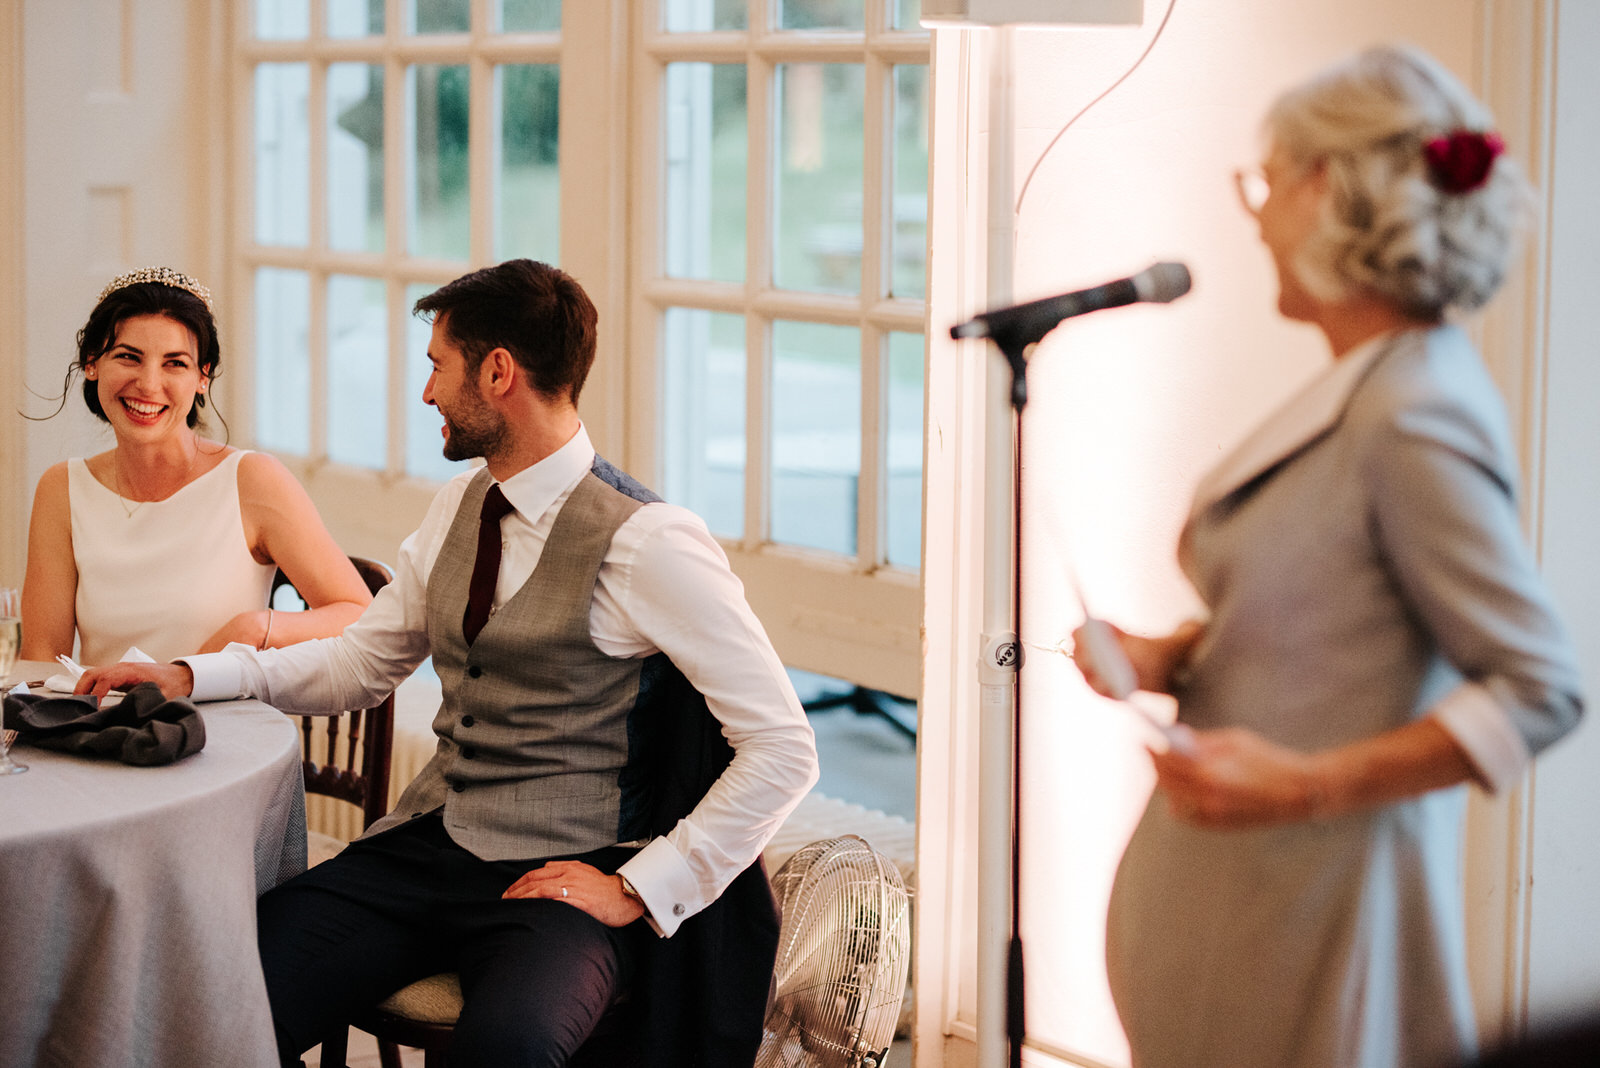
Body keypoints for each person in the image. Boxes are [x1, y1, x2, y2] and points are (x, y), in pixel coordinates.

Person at [80, 258, 820, 1067]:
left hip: (558, 879)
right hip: (427, 848)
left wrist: (641, 885)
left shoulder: (650, 542)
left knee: (508, 1050)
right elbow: (362, 663)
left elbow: (784, 747)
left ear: (498, 373)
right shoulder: (459, 507)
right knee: (218, 990)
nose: (426, 391)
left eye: (437, 365)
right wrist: (191, 676)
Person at [1070, 46, 1583, 1068]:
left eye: (1266, 184)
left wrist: (1305, 785)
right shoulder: (1370, 383)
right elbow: (1332, 601)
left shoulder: (1415, 413)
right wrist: (1175, 654)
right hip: (1241, 900)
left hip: (1311, 906)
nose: (1254, 218)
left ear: (1328, 191)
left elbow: (1540, 686)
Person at [21, 266, 371, 666]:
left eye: (175, 364)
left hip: (220, 724)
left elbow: (359, 613)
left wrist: (256, 629)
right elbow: (42, 659)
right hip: (103, 726)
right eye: (128, 357)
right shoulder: (62, 488)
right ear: (91, 363)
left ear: (203, 377)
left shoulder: (252, 480)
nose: (149, 385)